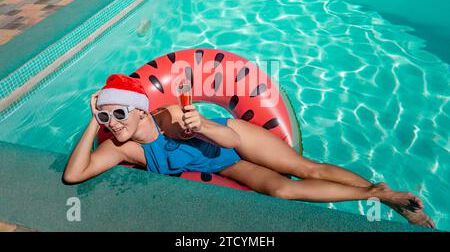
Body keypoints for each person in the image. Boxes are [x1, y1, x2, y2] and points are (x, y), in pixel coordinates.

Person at [64, 74, 435, 228]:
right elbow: (73, 175)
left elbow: (225, 139)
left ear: (140, 109)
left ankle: (382, 195)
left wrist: (202, 125)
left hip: (234, 139)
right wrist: (92, 120)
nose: (112, 122)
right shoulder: (120, 149)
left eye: (118, 113)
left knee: (307, 169)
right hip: (226, 166)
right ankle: (377, 193)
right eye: (104, 115)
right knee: (283, 190)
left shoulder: (169, 117)